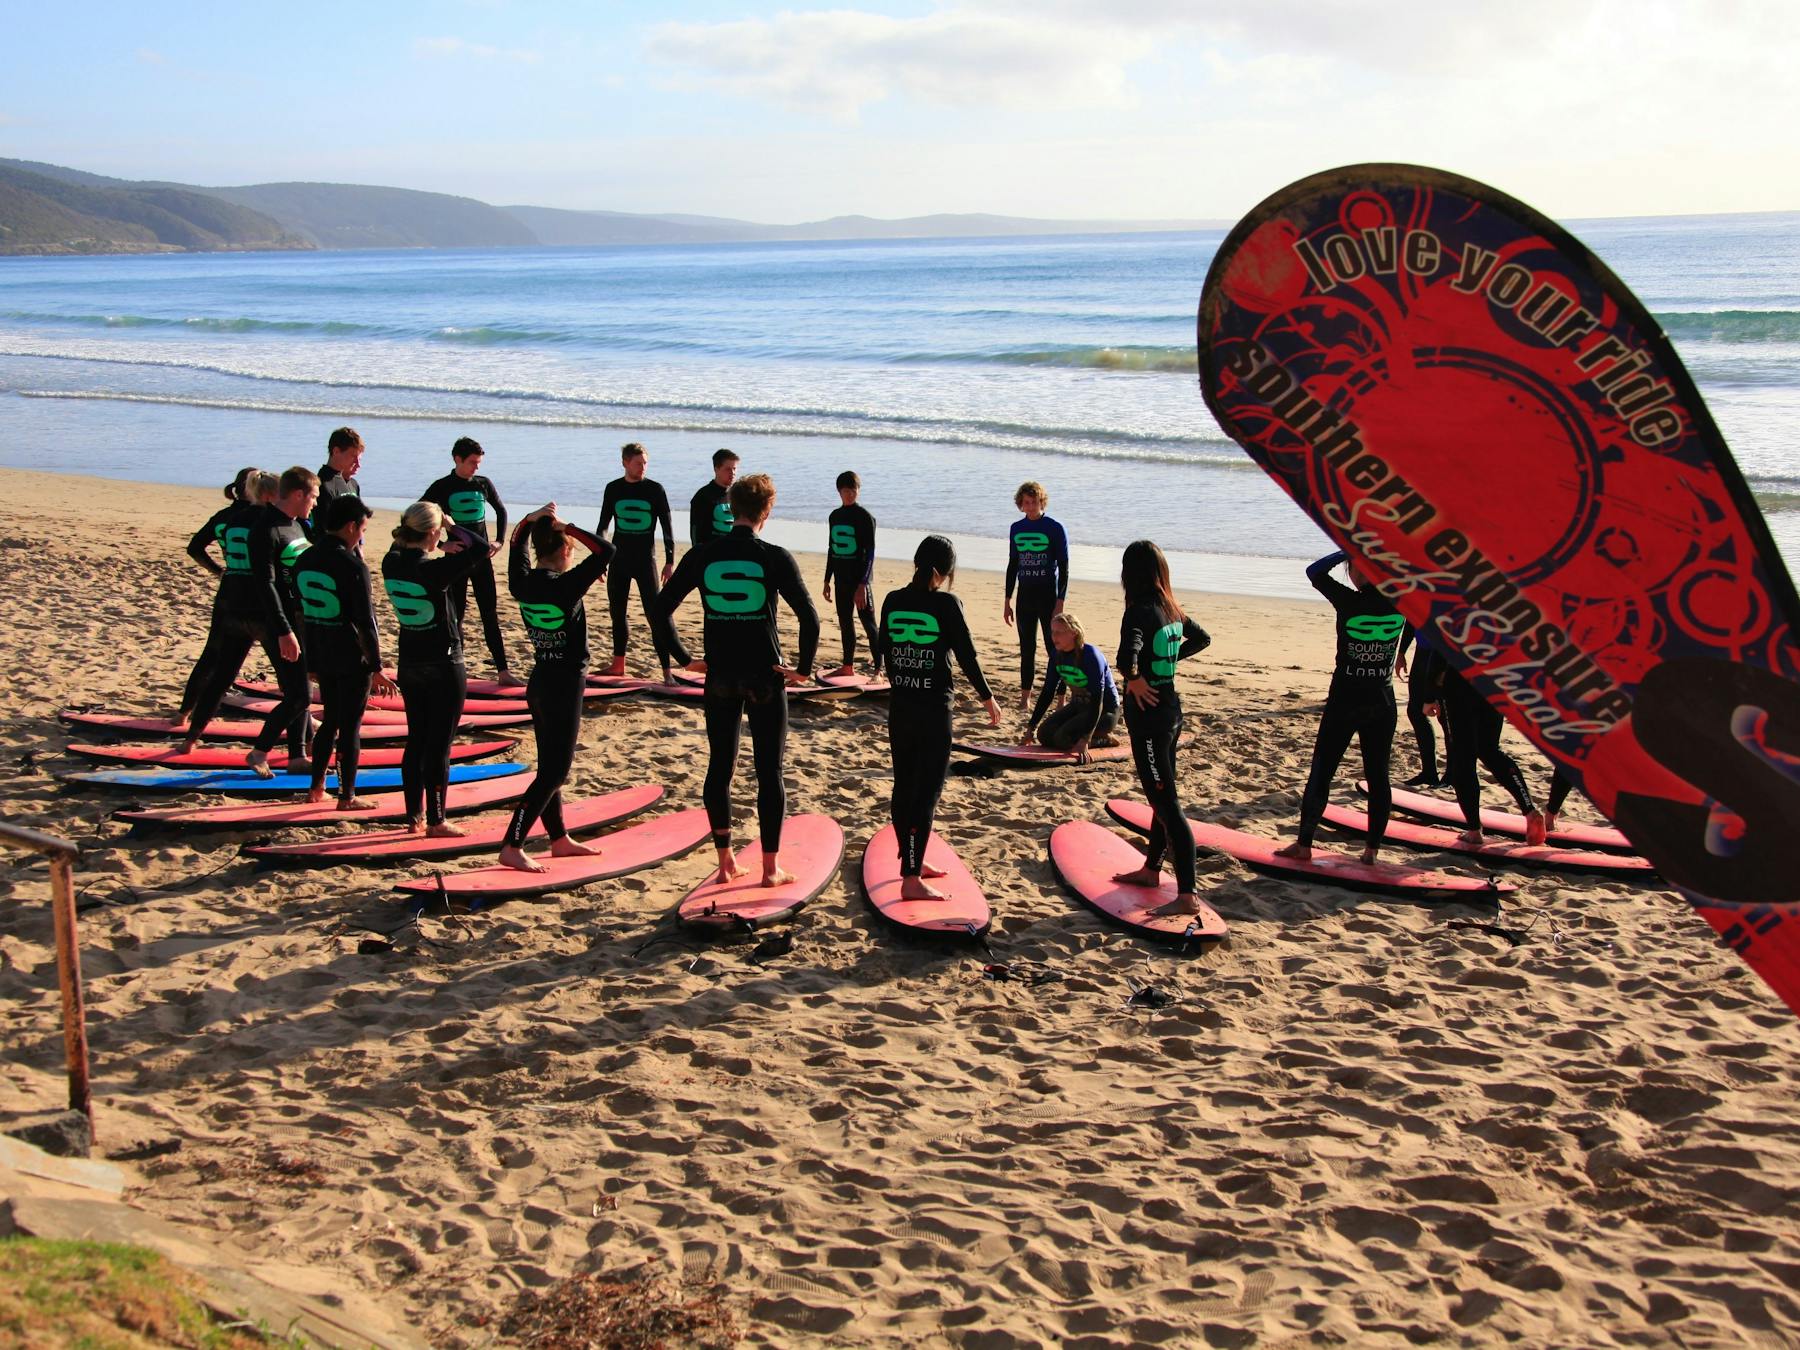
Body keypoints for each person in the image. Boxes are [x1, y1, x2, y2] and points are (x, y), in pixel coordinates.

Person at [656, 472, 819, 887]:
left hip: (721, 676)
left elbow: (660, 610)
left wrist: (685, 658)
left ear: (731, 507)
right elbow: (809, 618)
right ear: (767, 509)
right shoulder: (775, 555)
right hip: (765, 675)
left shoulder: (704, 554)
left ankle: (726, 862)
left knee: (719, 769)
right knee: (770, 773)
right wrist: (802, 667)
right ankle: (770, 870)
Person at [877, 536, 1001, 898]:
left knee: (904, 786)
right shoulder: (947, 604)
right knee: (927, 793)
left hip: (900, 708)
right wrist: (987, 696)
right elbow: (967, 655)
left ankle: (911, 860)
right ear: (939, 572)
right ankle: (911, 879)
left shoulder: (893, 600)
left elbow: (883, 646)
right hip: (932, 712)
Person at [500, 505, 615, 872]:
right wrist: (570, 526)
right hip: (564, 685)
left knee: (549, 768)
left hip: (540, 682)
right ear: (565, 549)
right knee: (555, 773)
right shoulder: (567, 585)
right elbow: (607, 551)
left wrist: (528, 521)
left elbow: (515, 545)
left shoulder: (522, 583)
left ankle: (559, 838)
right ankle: (512, 844)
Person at [1275, 550, 1404, 864]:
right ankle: (1371, 851)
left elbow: (1315, 571)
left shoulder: (1348, 600)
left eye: (1352, 569)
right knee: (1378, 776)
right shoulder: (1404, 602)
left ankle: (1304, 845)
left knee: (1322, 771)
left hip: (1345, 699)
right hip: (1383, 702)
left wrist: (1349, 547)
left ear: (1359, 573)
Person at [1110, 540, 1213, 917]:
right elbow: (1202, 638)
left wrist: (1135, 677)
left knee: (1167, 803)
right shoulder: (1172, 609)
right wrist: (1167, 660)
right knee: (1160, 796)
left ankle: (1187, 895)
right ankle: (1151, 870)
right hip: (1171, 710)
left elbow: (1126, 657)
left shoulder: (1138, 611)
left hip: (1150, 719)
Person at [382, 502, 490, 835]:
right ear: (431, 532)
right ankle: (438, 820)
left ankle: (413, 817)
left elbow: (402, 545)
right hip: (444, 663)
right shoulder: (435, 570)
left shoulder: (391, 562)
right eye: (438, 531)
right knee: (439, 745)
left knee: (416, 741)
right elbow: (482, 547)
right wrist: (452, 524)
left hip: (410, 663)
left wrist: (436, 536)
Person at [292, 495, 395, 807]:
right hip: (350, 656)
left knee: (331, 721)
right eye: (362, 529)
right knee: (350, 726)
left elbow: (300, 613)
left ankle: (316, 788)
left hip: (320, 652)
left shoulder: (303, 559)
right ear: (351, 527)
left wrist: (308, 658)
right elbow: (365, 622)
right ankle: (347, 796)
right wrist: (376, 666)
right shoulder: (353, 565)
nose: (361, 535)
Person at [172, 468, 272, 727]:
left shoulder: (224, 517)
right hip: (256, 595)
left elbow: (195, 548)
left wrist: (219, 571)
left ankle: (183, 713)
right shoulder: (263, 518)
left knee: (212, 655)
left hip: (228, 590)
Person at [421, 437, 514, 683]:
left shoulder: (483, 483)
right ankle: (457, 670)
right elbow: (419, 517)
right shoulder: (442, 486)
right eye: (472, 462)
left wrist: (499, 540)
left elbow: (501, 511)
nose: (477, 467)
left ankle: (503, 672)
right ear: (457, 459)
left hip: (482, 561)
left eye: (479, 462)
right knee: (457, 616)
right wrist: (442, 544)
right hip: (456, 563)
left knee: (490, 615)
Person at [1422, 663, 1548, 847]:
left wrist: (1429, 694)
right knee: (1490, 750)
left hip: (1460, 683)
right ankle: (1529, 810)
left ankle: (1474, 830)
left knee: (1463, 756)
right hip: (1495, 679)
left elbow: (1441, 647)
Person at [597, 442, 692, 681]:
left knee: (655, 615)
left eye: (645, 463)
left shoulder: (655, 490)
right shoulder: (613, 489)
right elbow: (603, 526)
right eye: (638, 463)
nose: (643, 468)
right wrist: (599, 559)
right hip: (619, 560)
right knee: (617, 613)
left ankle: (667, 672)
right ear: (625, 462)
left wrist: (670, 561)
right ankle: (618, 665)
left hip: (645, 561)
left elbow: (667, 528)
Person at [1002, 480, 1069, 709]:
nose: (1031, 507)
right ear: (1021, 504)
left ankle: (1060, 699)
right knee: (1027, 648)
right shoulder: (1016, 528)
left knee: (1055, 649)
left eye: (1035, 502)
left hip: (1048, 596)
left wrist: (1060, 601)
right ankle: (1025, 698)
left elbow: (1065, 567)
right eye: (1027, 502)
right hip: (1025, 597)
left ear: (1042, 502)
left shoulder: (1055, 528)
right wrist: (1007, 600)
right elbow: (1012, 565)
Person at [1020, 612, 1119, 761]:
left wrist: (1085, 739)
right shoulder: (1056, 655)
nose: (1054, 637)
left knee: (1062, 739)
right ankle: (1087, 735)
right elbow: (1048, 692)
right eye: (1052, 632)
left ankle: (1103, 739)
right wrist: (1031, 727)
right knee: (1044, 735)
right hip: (1078, 706)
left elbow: (1097, 700)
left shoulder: (1091, 656)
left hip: (1105, 712)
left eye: (1059, 632)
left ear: (1074, 633)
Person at [822, 471, 879, 677]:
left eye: (853, 491)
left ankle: (879, 670)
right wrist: (827, 580)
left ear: (858, 491)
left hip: (860, 581)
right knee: (845, 623)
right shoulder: (834, 516)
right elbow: (832, 549)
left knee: (869, 625)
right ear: (839, 492)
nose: (850, 495)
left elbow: (871, 553)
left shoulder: (865, 517)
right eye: (846, 491)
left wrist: (863, 584)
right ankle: (847, 667)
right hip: (841, 580)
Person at [1399, 626, 1445, 787]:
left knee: (1445, 718)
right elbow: (1411, 621)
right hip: (1423, 652)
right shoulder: (1418, 601)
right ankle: (1429, 772)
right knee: (1415, 711)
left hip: (1442, 656)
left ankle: (1452, 776)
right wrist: (1401, 652)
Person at [313, 426, 363, 532]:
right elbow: (323, 529)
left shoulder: (348, 482)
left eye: (358, 458)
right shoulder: (323, 485)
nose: (357, 463)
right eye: (353, 456)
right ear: (336, 451)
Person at [688, 448, 740, 549]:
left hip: (733, 552)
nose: (732, 473)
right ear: (716, 469)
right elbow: (695, 533)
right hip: (711, 554)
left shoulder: (737, 495)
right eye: (728, 469)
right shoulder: (703, 496)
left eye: (734, 469)